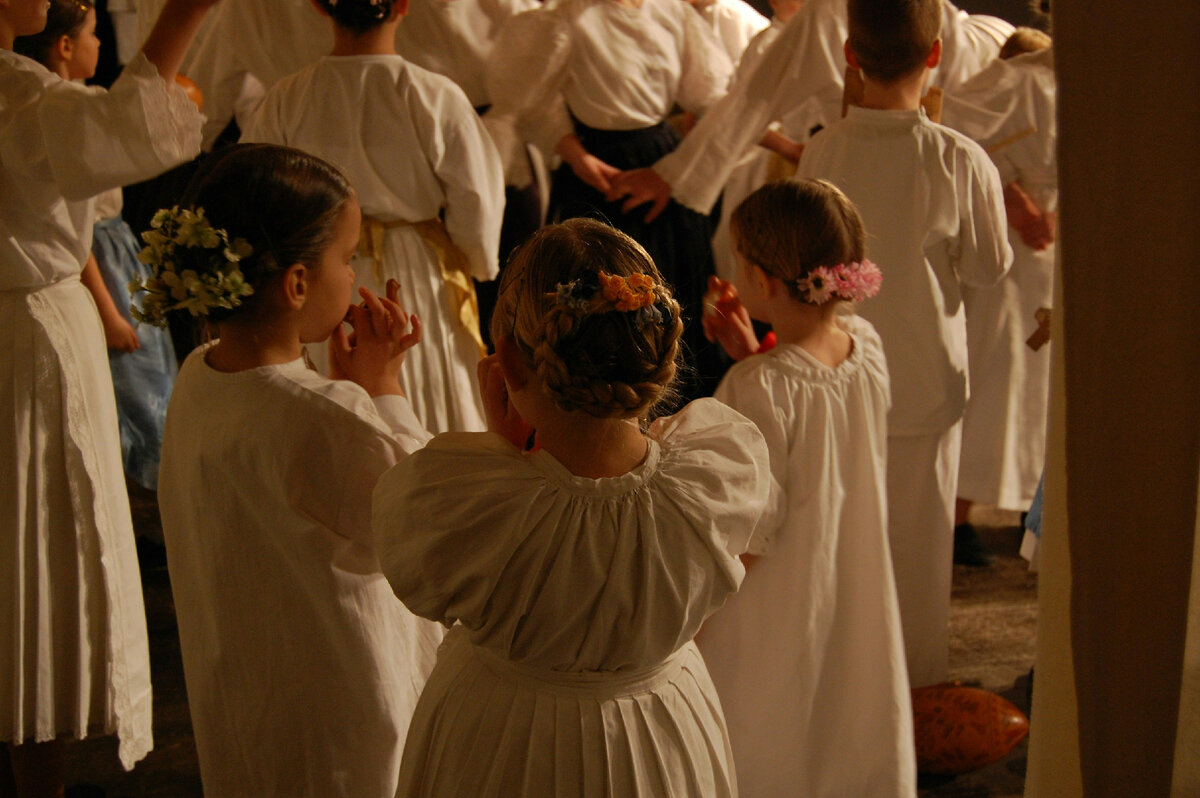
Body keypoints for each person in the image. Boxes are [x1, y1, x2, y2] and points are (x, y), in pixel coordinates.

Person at [372, 218, 771, 797]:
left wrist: (503, 453)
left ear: (506, 363)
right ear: (656, 353)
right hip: (657, 733)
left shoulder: (466, 502)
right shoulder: (713, 478)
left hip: (503, 738)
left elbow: (422, 568)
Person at [148, 144, 443, 796]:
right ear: (297, 284)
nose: (355, 273)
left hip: (243, 690)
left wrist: (352, 390)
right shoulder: (323, 414)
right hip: (340, 708)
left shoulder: (200, 373)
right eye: (348, 257)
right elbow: (428, 524)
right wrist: (384, 388)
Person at [1, 0, 214, 792]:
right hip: (25, 335)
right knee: (35, 549)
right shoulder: (17, 92)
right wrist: (182, 17)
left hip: (31, 318)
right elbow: (128, 129)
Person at [793, 0, 1012, 688]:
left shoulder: (824, 147)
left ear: (850, 56)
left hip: (840, 371)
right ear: (938, 54)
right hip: (924, 380)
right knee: (917, 554)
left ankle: (843, 685)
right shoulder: (958, 157)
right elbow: (988, 267)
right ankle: (914, 691)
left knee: (844, 540)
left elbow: (812, 261)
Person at [698, 179, 914, 797]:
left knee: (772, 705)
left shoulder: (756, 386)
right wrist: (751, 355)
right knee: (844, 694)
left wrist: (700, 604)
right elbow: (821, 418)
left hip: (779, 587)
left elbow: (753, 518)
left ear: (763, 281)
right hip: (852, 567)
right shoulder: (867, 348)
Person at [243, 0, 505, 434]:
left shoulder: (288, 95)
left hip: (318, 268)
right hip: (416, 265)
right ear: (403, 6)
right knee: (423, 378)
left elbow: (259, 191)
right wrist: (478, 259)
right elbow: (476, 195)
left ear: (321, 8)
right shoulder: (433, 94)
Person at [489, 0, 733, 395]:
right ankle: (604, 402)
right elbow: (533, 97)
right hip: (597, 173)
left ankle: (680, 399)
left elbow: (715, 99)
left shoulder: (673, 13)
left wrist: (677, 171)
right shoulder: (564, 19)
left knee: (673, 290)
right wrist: (576, 155)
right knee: (600, 298)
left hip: (661, 169)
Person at [14, 0, 179, 492]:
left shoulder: (71, 101)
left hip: (119, 256)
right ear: (64, 46)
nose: (101, 42)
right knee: (131, 394)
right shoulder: (42, 105)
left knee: (153, 385)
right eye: (91, 34)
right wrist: (108, 310)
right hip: (94, 268)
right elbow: (71, 232)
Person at [944, 26, 1056, 566]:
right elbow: (950, 124)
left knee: (1049, 384)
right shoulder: (1018, 80)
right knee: (995, 373)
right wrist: (1012, 200)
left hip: (1065, 246)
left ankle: (1034, 512)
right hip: (1010, 246)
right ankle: (958, 515)